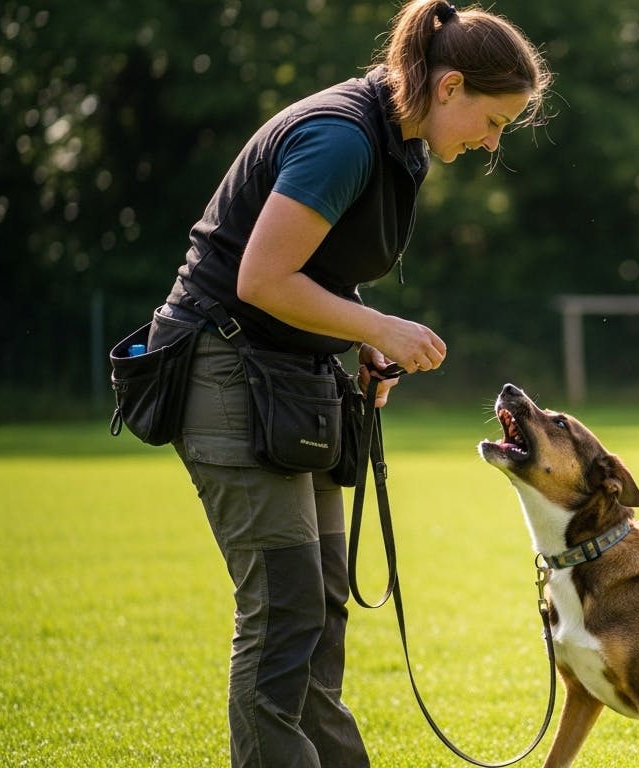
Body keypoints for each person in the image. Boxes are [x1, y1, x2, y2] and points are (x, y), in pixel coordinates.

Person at [147, 3, 550, 765]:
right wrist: (377, 329)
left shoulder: (405, 143)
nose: (494, 142)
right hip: (225, 370)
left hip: (291, 376)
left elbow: (319, 271)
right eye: (493, 122)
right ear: (449, 85)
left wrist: (355, 332)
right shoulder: (340, 138)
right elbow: (260, 278)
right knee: (284, 611)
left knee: (320, 604)